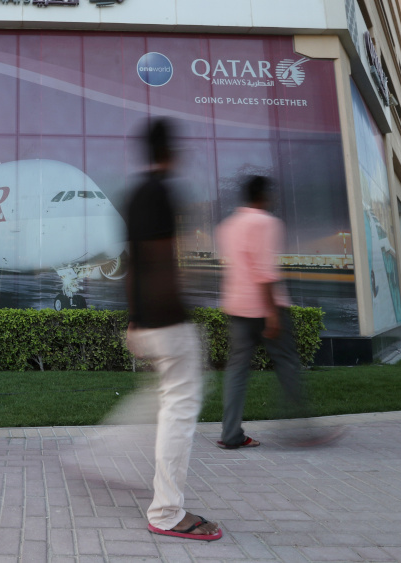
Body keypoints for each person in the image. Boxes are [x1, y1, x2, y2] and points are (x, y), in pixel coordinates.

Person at [124, 118, 222, 541]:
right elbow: (163, 261)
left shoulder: (134, 195)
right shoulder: (163, 192)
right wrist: (176, 315)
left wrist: (134, 319)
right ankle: (166, 512)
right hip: (167, 320)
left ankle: (99, 458)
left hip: (146, 319)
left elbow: (133, 263)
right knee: (179, 409)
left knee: (166, 401)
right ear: (171, 151)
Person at [215, 175, 325, 449]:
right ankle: (302, 432)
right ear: (263, 196)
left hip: (237, 307)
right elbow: (264, 270)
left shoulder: (227, 226)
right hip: (265, 307)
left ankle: (230, 434)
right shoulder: (267, 223)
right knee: (287, 366)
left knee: (237, 371)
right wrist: (272, 313)